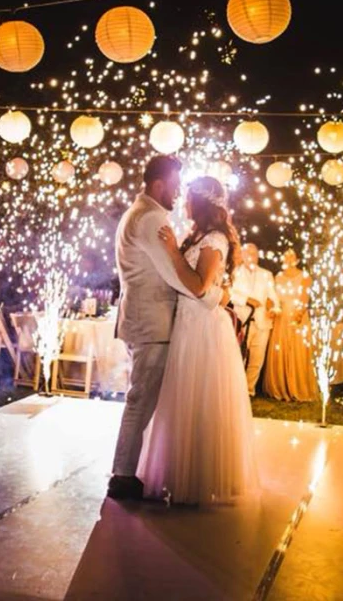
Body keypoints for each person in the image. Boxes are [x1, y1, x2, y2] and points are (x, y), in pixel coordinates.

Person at [108, 157, 225, 501]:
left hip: (141, 319)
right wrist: (217, 295)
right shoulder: (152, 217)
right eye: (174, 186)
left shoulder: (135, 212)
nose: (177, 194)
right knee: (140, 401)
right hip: (152, 322)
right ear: (159, 184)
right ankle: (123, 476)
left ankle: (130, 468)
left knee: (141, 400)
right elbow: (180, 279)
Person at [138, 176, 258, 505]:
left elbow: (199, 286)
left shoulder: (215, 239)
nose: (185, 202)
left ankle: (200, 479)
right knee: (184, 399)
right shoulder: (201, 236)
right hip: (189, 323)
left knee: (200, 398)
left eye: (190, 198)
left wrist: (173, 252)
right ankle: (182, 475)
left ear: (202, 203)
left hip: (204, 328)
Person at [263, 248, 317, 401]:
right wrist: (271, 308)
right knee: (281, 350)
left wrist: (298, 315)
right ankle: (280, 387)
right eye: (286, 256)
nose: (288, 259)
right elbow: (271, 298)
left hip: (297, 317)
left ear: (298, 260)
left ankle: (297, 387)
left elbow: (305, 299)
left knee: (297, 351)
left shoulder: (304, 276)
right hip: (281, 318)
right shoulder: (278, 277)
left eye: (291, 256)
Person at [231, 243, 280, 396]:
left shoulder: (267, 274)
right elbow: (230, 294)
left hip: (262, 323)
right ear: (243, 256)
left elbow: (274, 297)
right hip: (243, 321)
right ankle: (236, 391)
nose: (252, 256)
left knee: (257, 360)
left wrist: (274, 309)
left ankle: (249, 391)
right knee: (240, 358)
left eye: (254, 253)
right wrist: (247, 299)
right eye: (248, 253)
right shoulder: (234, 272)